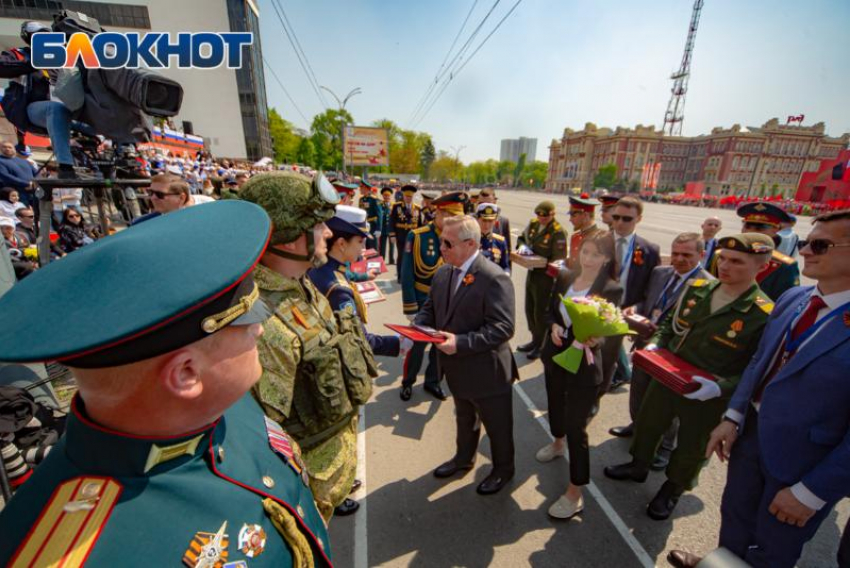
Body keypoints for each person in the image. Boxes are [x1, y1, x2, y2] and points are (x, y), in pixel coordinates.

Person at [0, 201, 333, 566]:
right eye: (245, 321)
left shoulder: (217, 404)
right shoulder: (73, 552)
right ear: (186, 374)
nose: (260, 327)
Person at [667, 210, 850, 568]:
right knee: (733, 522)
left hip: (803, 466)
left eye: (820, 244)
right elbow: (760, 363)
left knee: (773, 549)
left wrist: (813, 492)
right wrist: (733, 416)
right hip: (750, 440)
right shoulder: (793, 300)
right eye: (806, 242)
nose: (805, 251)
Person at [605, 234, 776, 521]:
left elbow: (756, 370)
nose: (724, 265)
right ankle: (638, 465)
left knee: (693, 446)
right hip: (668, 375)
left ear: (762, 266)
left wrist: (720, 388)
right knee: (648, 424)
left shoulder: (763, 312)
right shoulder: (697, 288)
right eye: (722, 258)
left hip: (706, 393)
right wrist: (655, 345)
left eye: (736, 261)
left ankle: (672, 489)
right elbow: (670, 327)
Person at [241, 171, 377, 520]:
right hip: (307, 493)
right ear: (288, 240)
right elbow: (265, 440)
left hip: (328, 477)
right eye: (319, 225)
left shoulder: (297, 282)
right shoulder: (266, 324)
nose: (329, 233)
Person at [415, 215, 517, 495]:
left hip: (488, 371)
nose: (441, 248)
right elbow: (431, 308)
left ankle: (503, 470)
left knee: (498, 427)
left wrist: (460, 342)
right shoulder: (443, 272)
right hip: (457, 367)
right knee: (464, 418)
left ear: (470, 244)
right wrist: (418, 325)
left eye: (447, 243)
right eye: (440, 241)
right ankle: (463, 460)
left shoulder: (494, 277)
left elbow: (503, 328)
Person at [609, 233, 713, 471]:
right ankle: (638, 427)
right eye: (675, 253)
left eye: (686, 254)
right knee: (638, 392)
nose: (678, 259)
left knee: (667, 405)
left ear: (701, 255)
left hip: (673, 357)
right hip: (645, 345)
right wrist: (633, 310)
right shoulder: (659, 273)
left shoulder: (707, 286)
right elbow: (648, 302)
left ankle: (665, 447)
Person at [538, 232, 623, 519]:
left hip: (584, 365)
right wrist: (552, 326)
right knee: (554, 406)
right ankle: (557, 442)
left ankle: (575, 492)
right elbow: (549, 311)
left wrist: (596, 339)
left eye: (595, 255)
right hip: (556, 356)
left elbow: (612, 329)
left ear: (607, 258)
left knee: (577, 426)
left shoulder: (611, 288)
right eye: (585, 252)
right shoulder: (565, 277)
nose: (587, 259)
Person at [309, 204, 408, 358]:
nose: (364, 247)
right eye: (360, 241)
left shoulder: (322, 267)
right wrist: (398, 343)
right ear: (341, 244)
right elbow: (360, 339)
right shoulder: (338, 289)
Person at [399, 192, 467, 402]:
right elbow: (407, 273)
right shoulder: (418, 235)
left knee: (440, 347)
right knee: (417, 347)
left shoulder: (459, 238)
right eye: (449, 216)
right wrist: (410, 308)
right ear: (438, 213)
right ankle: (408, 382)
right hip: (421, 300)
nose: (453, 222)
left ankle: (433, 381)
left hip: (447, 303)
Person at [603, 196, 661, 394]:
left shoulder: (649, 250)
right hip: (597, 307)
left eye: (627, 219)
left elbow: (652, 289)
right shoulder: (597, 241)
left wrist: (637, 308)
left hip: (625, 310)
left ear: (639, 219)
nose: (619, 222)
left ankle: (613, 380)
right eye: (616, 217)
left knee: (609, 356)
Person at [708, 202, 800, 301]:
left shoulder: (784, 265)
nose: (750, 232)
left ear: (775, 230)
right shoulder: (722, 254)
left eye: (759, 229)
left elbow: (786, 302)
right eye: (747, 227)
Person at [516, 201, 568, 360]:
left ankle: (541, 345)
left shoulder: (558, 232)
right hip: (532, 272)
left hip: (546, 277)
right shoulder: (533, 224)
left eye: (545, 216)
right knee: (529, 308)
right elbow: (521, 238)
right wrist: (523, 248)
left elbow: (558, 259)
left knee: (541, 313)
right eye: (539, 215)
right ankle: (534, 340)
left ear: (553, 215)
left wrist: (541, 261)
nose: (541, 219)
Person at [132, 174, 213, 225]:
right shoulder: (146, 223)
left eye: (160, 194)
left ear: (181, 198)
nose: (153, 198)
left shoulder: (208, 204)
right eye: (150, 192)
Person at [389, 184, 420, 282]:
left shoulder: (417, 208)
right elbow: (391, 221)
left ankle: (409, 276)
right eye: (406, 196)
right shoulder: (396, 206)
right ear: (403, 196)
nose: (408, 198)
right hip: (401, 236)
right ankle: (400, 276)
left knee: (412, 257)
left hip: (413, 237)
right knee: (401, 256)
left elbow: (419, 224)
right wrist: (392, 234)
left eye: (410, 196)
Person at [566, 194, 602, 270]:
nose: (570, 220)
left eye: (573, 216)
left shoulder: (599, 240)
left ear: (585, 215)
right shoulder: (575, 237)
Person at [476, 203, 509, 273]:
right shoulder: (469, 239)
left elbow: (505, 266)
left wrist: (505, 276)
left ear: (495, 221)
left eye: (490, 221)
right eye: (484, 220)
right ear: (477, 219)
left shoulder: (500, 241)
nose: (487, 225)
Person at [357, 179, 383, 250]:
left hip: (373, 226)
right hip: (364, 226)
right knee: (366, 247)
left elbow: (379, 215)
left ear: (365, 188)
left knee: (373, 247)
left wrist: (379, 229)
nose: (360, 189)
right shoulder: (361, 199)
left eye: (361, 188)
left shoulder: (374, 199)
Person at [379, 187, 394, 263]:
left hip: (391, 229)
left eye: (388, 196)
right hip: (383, 228)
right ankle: (382, 259)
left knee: (392, 245)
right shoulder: (380, 205)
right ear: (383, 196)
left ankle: (391, 260)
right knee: (382, 245)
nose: (387, 197)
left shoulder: (393, 206)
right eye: (385, 196)